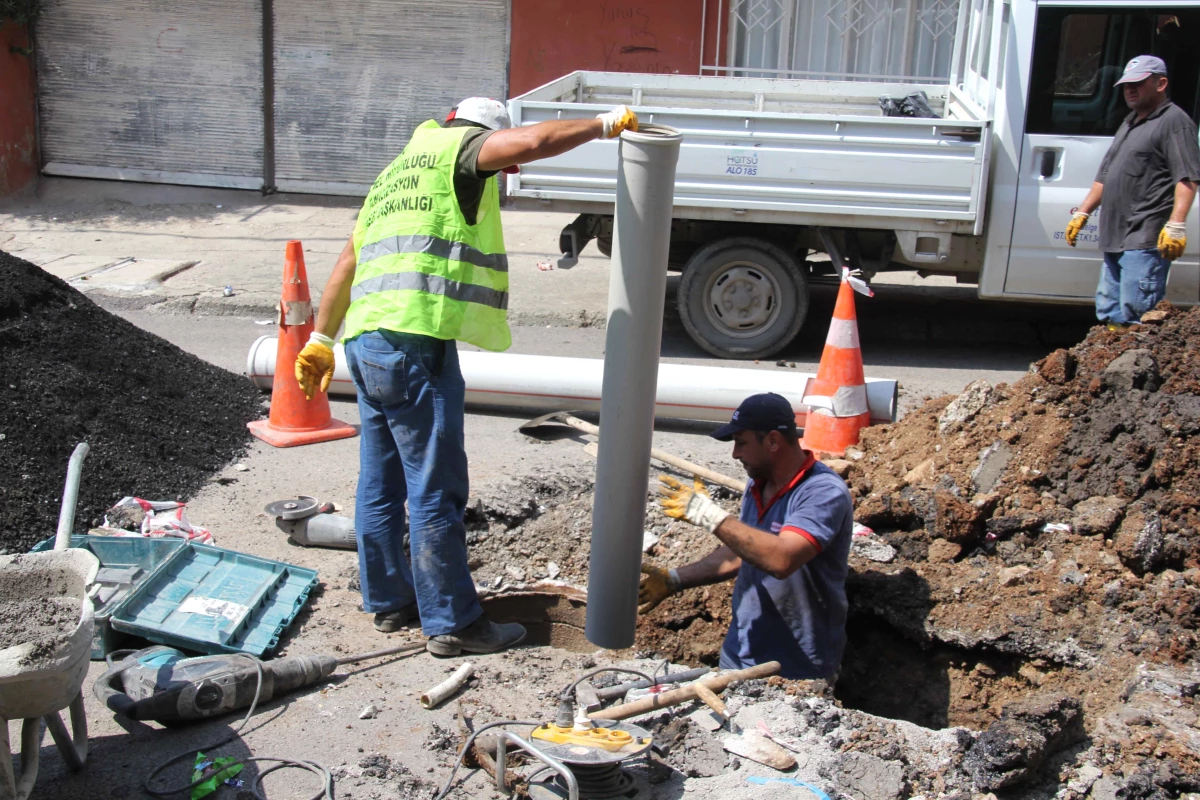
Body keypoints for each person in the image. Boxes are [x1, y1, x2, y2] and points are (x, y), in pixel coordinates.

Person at [294, 97, 639, 655]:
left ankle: (388, 602)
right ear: (481, 134)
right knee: (436, 490)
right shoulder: (460, 150)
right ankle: (453, 622)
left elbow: (345, 264)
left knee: (381, 486)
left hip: (365, 341)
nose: (500, 176)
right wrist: (601, 125)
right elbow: (529, 142)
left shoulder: (395, 174)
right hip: (414, 341)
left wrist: (319, 340)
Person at [638, 393, 854, 681]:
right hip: (739, 654)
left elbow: (781, 559)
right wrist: (675, 579)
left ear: (773, 441)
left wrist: (711, 517)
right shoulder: (757, 483)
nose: (735, 454)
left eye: (742, 442)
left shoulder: (822, 493)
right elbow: (746, 549)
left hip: (796, 669)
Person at [1065, 55, 1200, 329]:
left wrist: (1176, 224)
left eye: (1138, 83)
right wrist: (1082, 212)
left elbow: (1187, 177)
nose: (1130, 89)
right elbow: (1104, 176)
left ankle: (1135, 368)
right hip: (1115, 237)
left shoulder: (1175, 122)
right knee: (1109, 312)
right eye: (1127, 85)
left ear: (1161, 83)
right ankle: (1111, 367)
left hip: (1144, 238)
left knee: (1137, 315)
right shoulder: (1130, 121)